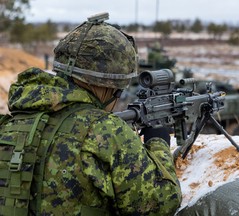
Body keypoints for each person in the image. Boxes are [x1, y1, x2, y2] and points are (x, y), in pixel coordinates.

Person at [0, 13, 181, 215]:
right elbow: (162, 202)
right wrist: (158, 142)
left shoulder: (11, 123)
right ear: (107, 85)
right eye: (118, 90)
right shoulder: (105, 131)